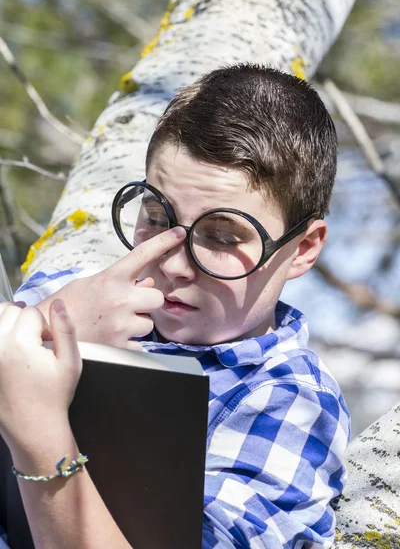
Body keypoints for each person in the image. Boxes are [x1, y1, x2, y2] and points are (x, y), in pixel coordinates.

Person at [4, 64, 350, 549]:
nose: (175, 264)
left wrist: (40, 438)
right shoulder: (70, 299)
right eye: (154, 215)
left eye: (223, 236)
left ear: (305, 248)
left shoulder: (289, 404)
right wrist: (47, 325)